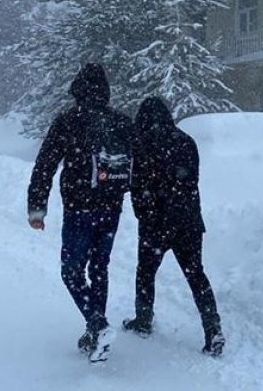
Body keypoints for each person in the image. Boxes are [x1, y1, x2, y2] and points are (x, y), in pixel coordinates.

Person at [27, 63, 134, 362]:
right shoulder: (121, 122)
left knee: (71, 271)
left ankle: (97, 325)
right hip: (111, 208)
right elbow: (139, 164)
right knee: (99, 268)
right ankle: (94, 330)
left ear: (77, 89)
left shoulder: (68, 121)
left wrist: (37, 207)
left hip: (79, 209)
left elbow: (45, 165)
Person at [122, 97, 225, 357]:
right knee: (196, 275)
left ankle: (143, 320)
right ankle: (213, 329)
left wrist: (143, 213)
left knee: (145, 272)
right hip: (188, 221)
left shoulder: (141, 144)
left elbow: (136, 185)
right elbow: (191, 181)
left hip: (155, 223)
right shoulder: (186, 141)